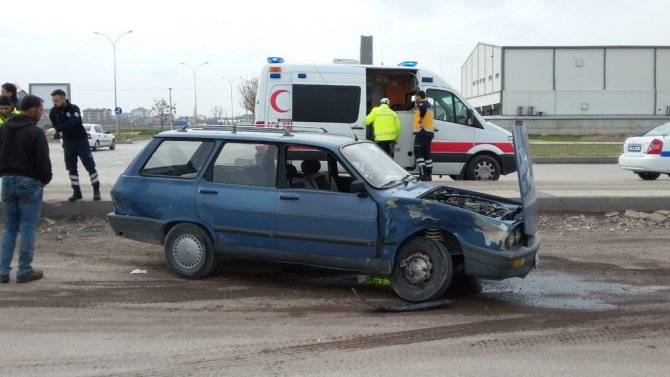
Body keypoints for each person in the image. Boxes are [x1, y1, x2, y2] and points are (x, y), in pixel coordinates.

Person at [0, 95, 52, 284]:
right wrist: (45, 180)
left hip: (7, 181)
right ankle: (24, 271)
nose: (40, 113)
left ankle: (2, 271)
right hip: (29, 182)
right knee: (28, 228)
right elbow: (43, 161)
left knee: (9, 228)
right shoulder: (35, 132)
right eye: (40, 109)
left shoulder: (4, 128)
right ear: (32, 109)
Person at [49, 89, 101, 201]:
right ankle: (76, 192)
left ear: (63, 99)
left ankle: (96, 190)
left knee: (90, 166)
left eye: (56, 100)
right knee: (71, 168)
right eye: (53, 100)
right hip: (68, 143)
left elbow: (72, 123)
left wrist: (57, 129)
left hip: (81, 141)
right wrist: (56, 133)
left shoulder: (74, 109)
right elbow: (56, 126)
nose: (54, 102)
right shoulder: (53, 112)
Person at [413, 90, 435, 181]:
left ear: (419, 96)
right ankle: (429, 175)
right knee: (427, 154)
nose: (415, 99)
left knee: (418, 153)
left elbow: (423, 110)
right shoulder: (430, 105)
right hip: (429, 133)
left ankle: (423, 175)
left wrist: (420, 121)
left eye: (416, 97)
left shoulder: (422, 105)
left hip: (422, 132)